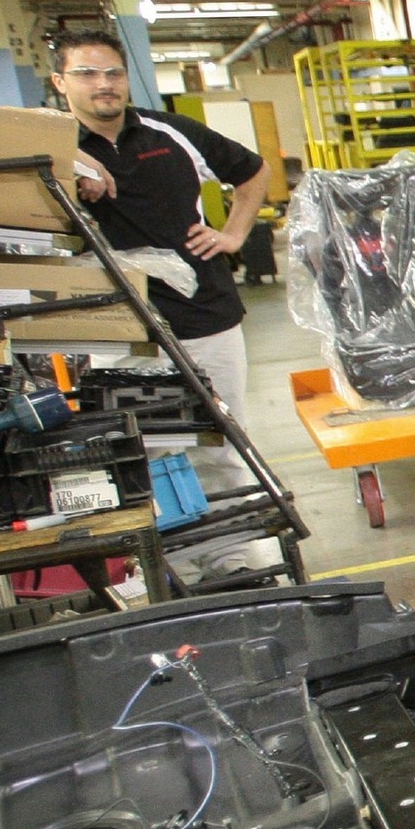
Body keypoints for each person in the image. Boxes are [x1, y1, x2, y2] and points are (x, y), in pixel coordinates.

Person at [55, 29, 276, 576]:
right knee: (146, 448)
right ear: (60, 82)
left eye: (112, 72)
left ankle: (234, 560)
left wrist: (232, 234)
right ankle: (178, 565)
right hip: (117, 325)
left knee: (221, 440)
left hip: (204, 313)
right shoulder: (52, 147)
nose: (103, 84)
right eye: (86, 74)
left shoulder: (168, 130)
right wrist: (71, 175)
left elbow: (252, 173)